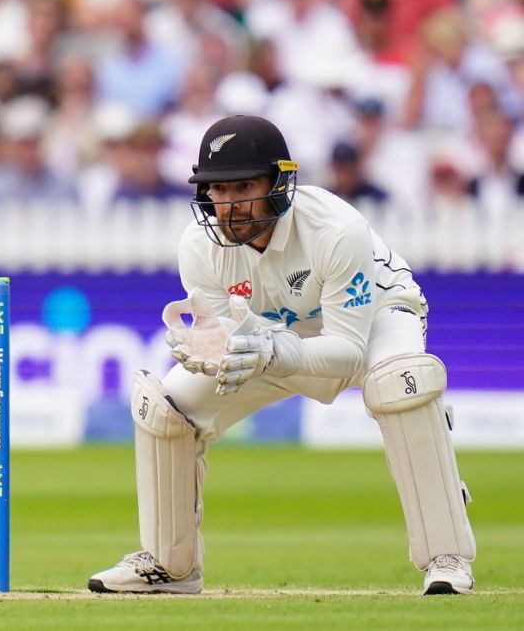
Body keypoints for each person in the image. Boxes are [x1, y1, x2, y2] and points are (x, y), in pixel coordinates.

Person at [88, 114, 476, 595]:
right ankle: (171, 566)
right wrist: (208, 349)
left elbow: (348, 352)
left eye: (243, 187)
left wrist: (272, 350)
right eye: (218, 191)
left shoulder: (337, 229)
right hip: (274, 340)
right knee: (165, 407)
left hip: (375, 317)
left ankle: (447, 555)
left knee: (399, 383)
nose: (229, 206)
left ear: (279, 183)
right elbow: (232, 337)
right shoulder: (199, 247)